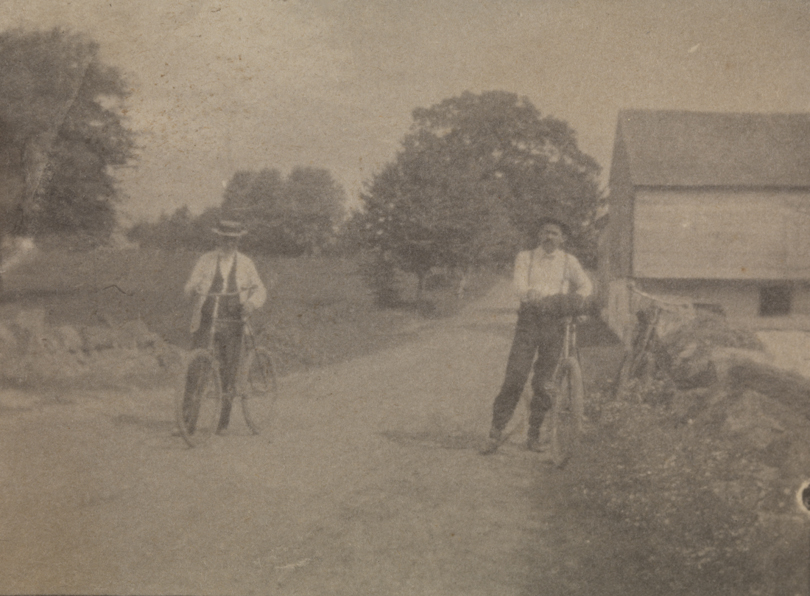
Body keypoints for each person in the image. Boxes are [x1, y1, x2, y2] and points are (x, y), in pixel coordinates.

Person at [481, 215, 592, 455]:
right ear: (539, 236)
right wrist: (529, 292)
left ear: (562, 238)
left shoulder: (568, 261)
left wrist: (576, 301)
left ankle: (533, 435)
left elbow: (586, 286)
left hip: (555, 324)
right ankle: (495, 433)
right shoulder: (526, 257)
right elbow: (518, 284)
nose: (548, 237)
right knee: (515, 375)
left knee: (544, 382)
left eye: (554, 233)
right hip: (529, 321)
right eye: (545, 232)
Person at [183, 219, 267, 432]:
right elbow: (190, 285)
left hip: (232, 322)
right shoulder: (206, 260)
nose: (228, 243)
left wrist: (251, 303)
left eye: (233, 240)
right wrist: (192, 290)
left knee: (228, 370)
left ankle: (223, 422)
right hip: (207, 319)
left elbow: (261, 290)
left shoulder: (246, 263)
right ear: (218, 238)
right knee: (195, 369)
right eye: (225, 239)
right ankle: (186, 422)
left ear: (238, 241)